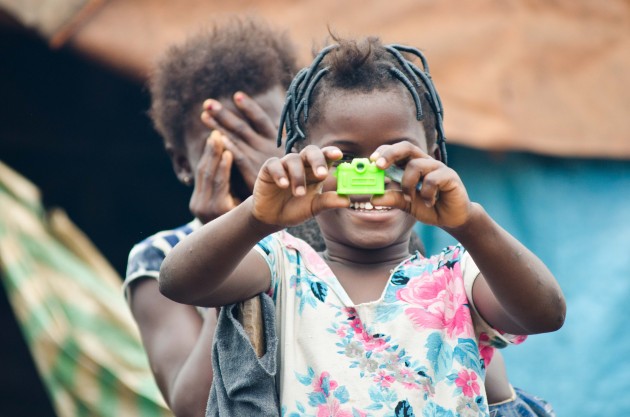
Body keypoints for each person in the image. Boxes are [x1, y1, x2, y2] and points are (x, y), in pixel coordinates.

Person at [159, 36, 566, 416]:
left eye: (398, 160)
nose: (373, 179)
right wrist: (255, 217)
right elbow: (178, 282)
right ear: (302, 162)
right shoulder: (282, 266)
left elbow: (545, 313)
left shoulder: (459, 276)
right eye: (345, 159)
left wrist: (471, 223)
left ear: (435, 160)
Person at [123, 17, 300, 417]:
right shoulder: (159, 258)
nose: (244, 155)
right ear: (183, 163)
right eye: (222, 142)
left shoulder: (342, 229)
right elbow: (191, 407)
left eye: (259, 131)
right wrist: (228, 247)